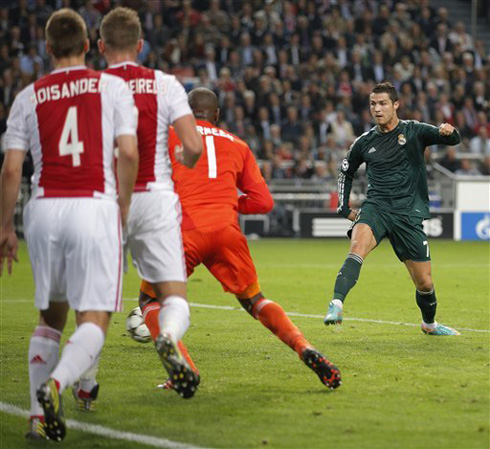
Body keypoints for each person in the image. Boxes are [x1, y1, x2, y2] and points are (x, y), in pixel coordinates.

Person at [139, 87, 341, 391]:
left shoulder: (167, 137)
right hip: (226, 230)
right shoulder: (238, 144)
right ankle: (304, 347)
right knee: (255, 301)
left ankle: (182, 367)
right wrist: (230, 204)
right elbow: (264, 203)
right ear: (217, 115)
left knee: (150, 299)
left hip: (184, 230)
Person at [0, 9, 138, 441]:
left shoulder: (28, 96)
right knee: (94, 319)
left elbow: (10, 169)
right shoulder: (110, 86)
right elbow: (129, 153)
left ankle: (38, 419)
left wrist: (6, 227)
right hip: (92, 206)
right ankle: (57, 386)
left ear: (46, 48)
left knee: (50, 318)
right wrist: (123, 205)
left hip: (43, 210)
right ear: (86, 46)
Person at [77, 7, 202, 403]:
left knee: (95, 301)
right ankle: (166, 336)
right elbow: (194, 147)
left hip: (106, 200)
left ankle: (86, 386)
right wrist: (182, 158)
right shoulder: (165, 84)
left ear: (99, 46)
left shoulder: (92, 85)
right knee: (173, 296)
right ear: (141, 45)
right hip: (157, 198)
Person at [324, 81, 461, 336]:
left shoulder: (414, 130)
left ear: (395, 105)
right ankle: (336, 303)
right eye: (373, 104)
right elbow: (346, 171)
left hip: (408, 213)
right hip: (376, 208)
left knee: (425, 282)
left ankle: (429, 324)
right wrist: (344, 208)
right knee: (357, 247)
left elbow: (452, 139)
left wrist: (448, 132)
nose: (377, 109)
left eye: (383, 103)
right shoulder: (364, 142)